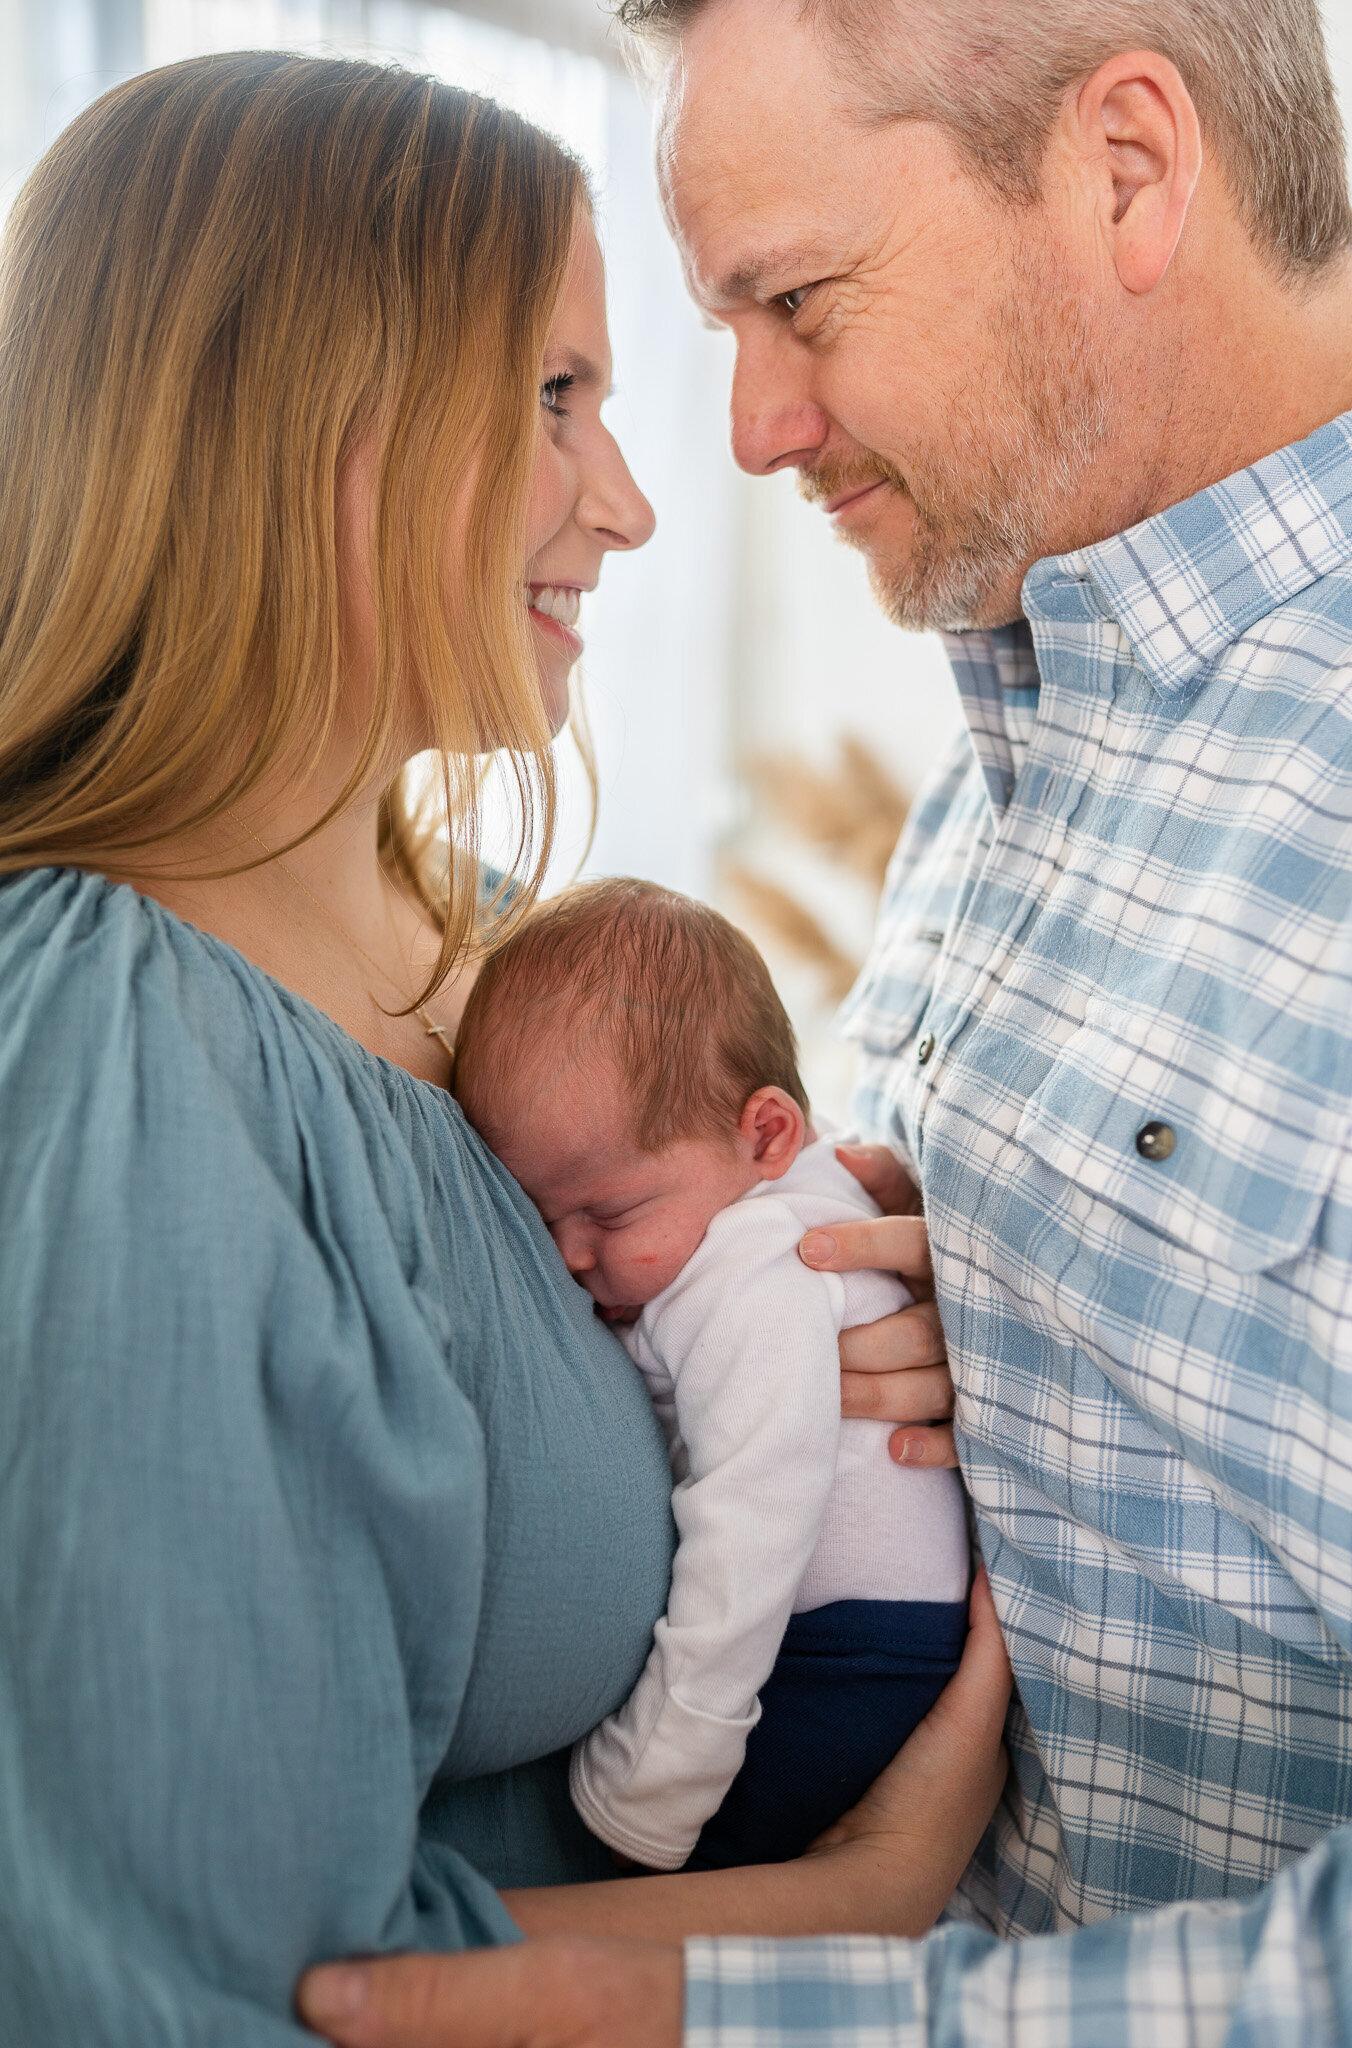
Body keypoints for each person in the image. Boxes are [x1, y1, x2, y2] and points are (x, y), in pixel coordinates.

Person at [295, 0, 1352, 2042]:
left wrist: (757, 2012)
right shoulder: (998, 760)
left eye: (793, 301)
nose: (747, 430)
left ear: (1125, 169)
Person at [0, 49, 1011, 2046]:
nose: (631, 505)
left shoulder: (463, 936)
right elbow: (225, 1992)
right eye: (554, 400)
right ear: (293, 428)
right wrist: (862, 1901)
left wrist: (830, 1283)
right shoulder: (110, 1080)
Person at [453, 877, 971, 1873]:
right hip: (853, 1640)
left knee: (680, 1884)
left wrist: (657, 1777)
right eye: (539, 1218)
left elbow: (755, 1514)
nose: (567, 1257)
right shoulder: (772, 1187)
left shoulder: (750, 1269)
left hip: (839, 1657)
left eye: (605, 1215)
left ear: (766, 1132)